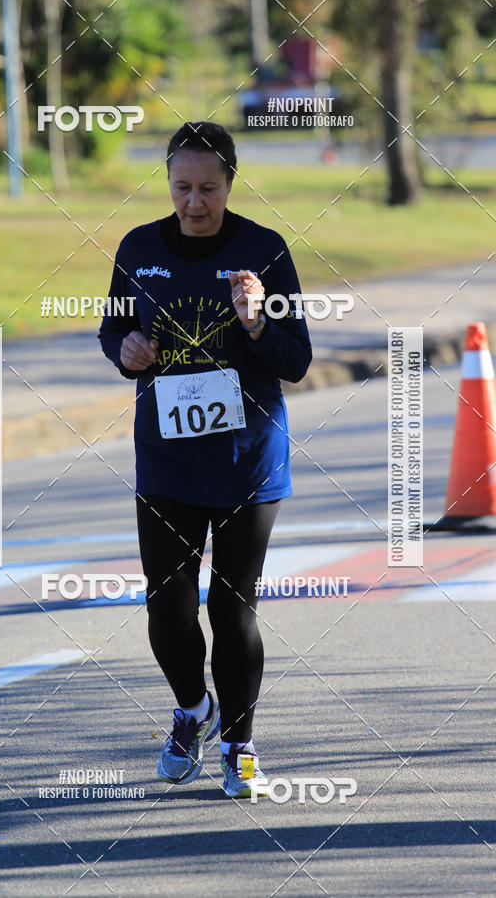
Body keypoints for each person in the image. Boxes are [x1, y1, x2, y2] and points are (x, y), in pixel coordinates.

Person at [99, 121, 312, 798]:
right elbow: (114, 328)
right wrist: (126, 350)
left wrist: (256, 322)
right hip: (167, 459)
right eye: (182, 187)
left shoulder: (264, 250)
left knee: (231, 606)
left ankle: (240, 745)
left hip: (248, 459)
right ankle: (194, 710)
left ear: (230, 183)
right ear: (167, 181)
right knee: (166, 606)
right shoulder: (138, 248)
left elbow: (296, 360)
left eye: (209, 189)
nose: (195, 202)